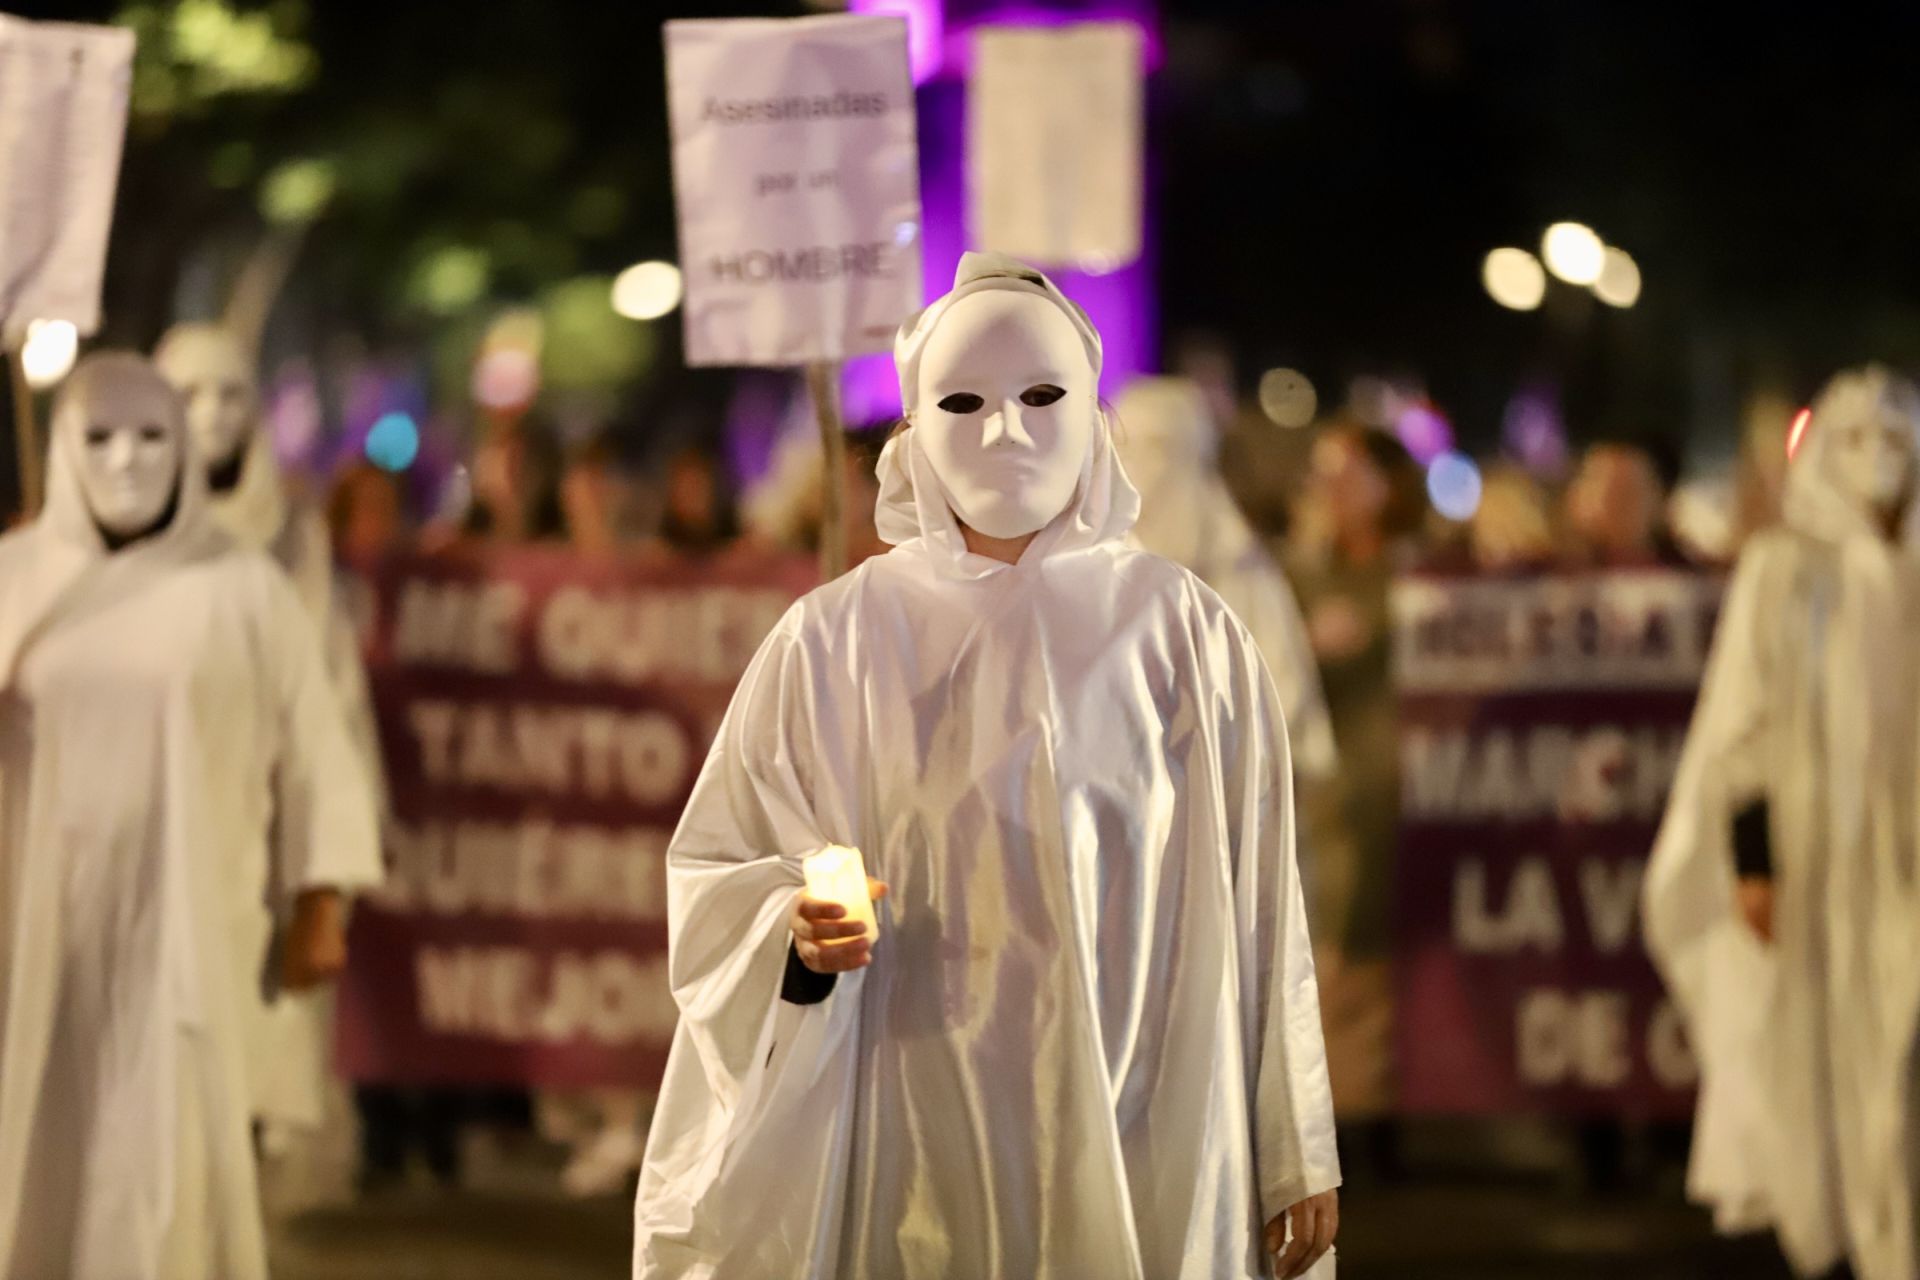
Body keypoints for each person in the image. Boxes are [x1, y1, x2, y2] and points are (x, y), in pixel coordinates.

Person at [633, 254, 1340, 1279]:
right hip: (912, 1121)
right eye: (964, 402)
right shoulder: (834, 642)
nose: (1006, 431)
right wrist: (792, 931)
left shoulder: (1184, 634)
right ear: (916, 431)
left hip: (1138, 1104)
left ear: (1091, 413)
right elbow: (720, 869)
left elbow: (1263, 901)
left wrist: (1293, 1138)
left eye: (1041, 395)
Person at [0, 353, 382, 1277]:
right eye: (99, 437)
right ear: (60, 446)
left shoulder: (242, 586)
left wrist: (321, 895)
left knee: (167, 1159)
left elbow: (314, 739)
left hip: (191, 927)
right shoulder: (12, 578)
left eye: (149, 436)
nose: (127, 460)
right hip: (31, 936)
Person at [1645, 365, 1920, 1280]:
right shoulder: (1783, 569)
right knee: (1824, 1053)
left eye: (1896, 440)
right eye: (1856, 440)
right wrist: (1754, 863)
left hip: (1909, 870)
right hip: (1818, 871)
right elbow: (1743, 731)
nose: (1879, 461)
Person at [155, 322, 384, 1208]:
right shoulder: (112, 545)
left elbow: (324, 712)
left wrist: (323, 888)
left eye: (227, 394)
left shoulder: (288, 548)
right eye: (185, 396)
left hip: (248, 869)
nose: (208, 416)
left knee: (234, 1118)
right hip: (142, 870)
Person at [1286, 423, 1424, 1160]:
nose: (1328, 488)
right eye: (1321, 473)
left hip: (1414, 802)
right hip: (1339, 808)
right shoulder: (1300, 577)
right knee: (1341, 953)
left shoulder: (1422, 575)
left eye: (1345, 472)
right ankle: (1355, 1114)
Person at [1114, 375, 1337, 780]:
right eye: (1125, 451)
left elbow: (1282, 709)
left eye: (1158, 450)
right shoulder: (1095, 574)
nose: (1141, 470)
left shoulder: (1243, 575)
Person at [1562, 441, 1681, 568]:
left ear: (1659, 501)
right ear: (1576, 500)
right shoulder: (1550, 576)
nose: (1619, 507)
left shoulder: (1689, 576)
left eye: (1629, 493)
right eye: (1609, 495)